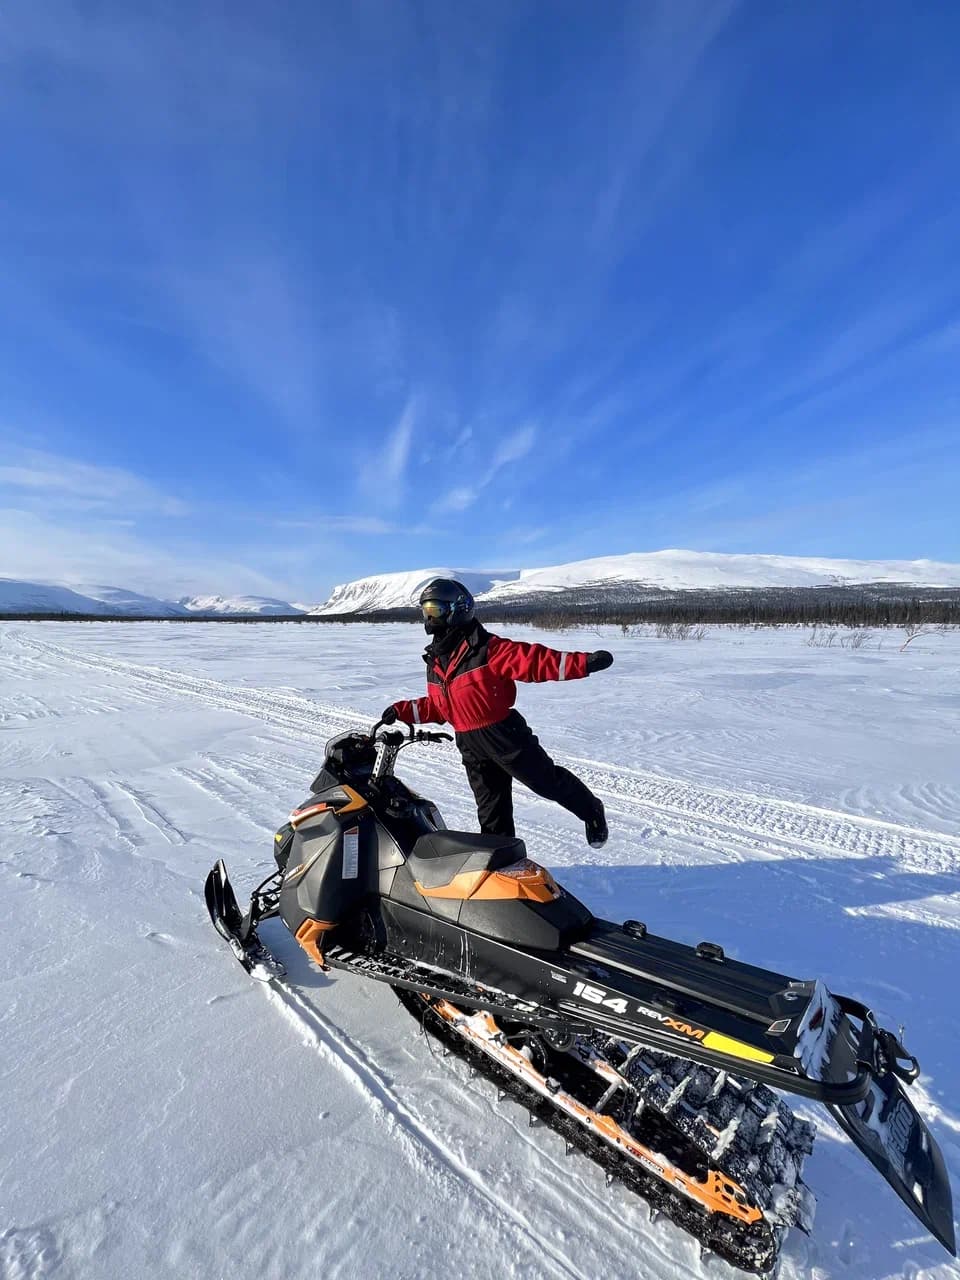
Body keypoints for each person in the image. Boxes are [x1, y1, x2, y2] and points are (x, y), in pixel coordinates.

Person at [381, 578, 614, 847]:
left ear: (458, 609)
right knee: (491, 809)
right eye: (426, 611)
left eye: (436, 610)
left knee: (546, 782)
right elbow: (441, 705)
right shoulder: (436, 661)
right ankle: (501, 860)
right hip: (469, 742)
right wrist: (401, 711)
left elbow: (536, 662)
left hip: (504, 735)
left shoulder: (488, 649)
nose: (430, 619)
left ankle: (591, 810)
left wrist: (583, 663)